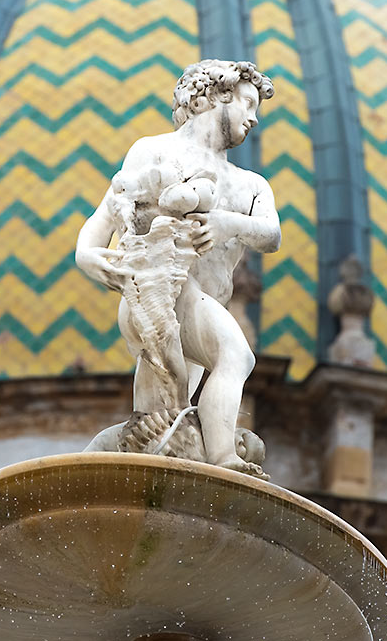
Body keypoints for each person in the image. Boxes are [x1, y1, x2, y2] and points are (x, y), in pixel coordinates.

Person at [75, 60, 278, 476]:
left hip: (203, 305)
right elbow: (107, 213)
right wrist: (86, 253)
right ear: (215, 97)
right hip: (161, 290)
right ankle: (224, 458)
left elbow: (271, 235)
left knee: (163, 420)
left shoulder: (250, 184)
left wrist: (227, 223)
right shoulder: (155, 151)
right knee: (235, 356)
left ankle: (140, 471)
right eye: (248, 103)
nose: (254, 118)